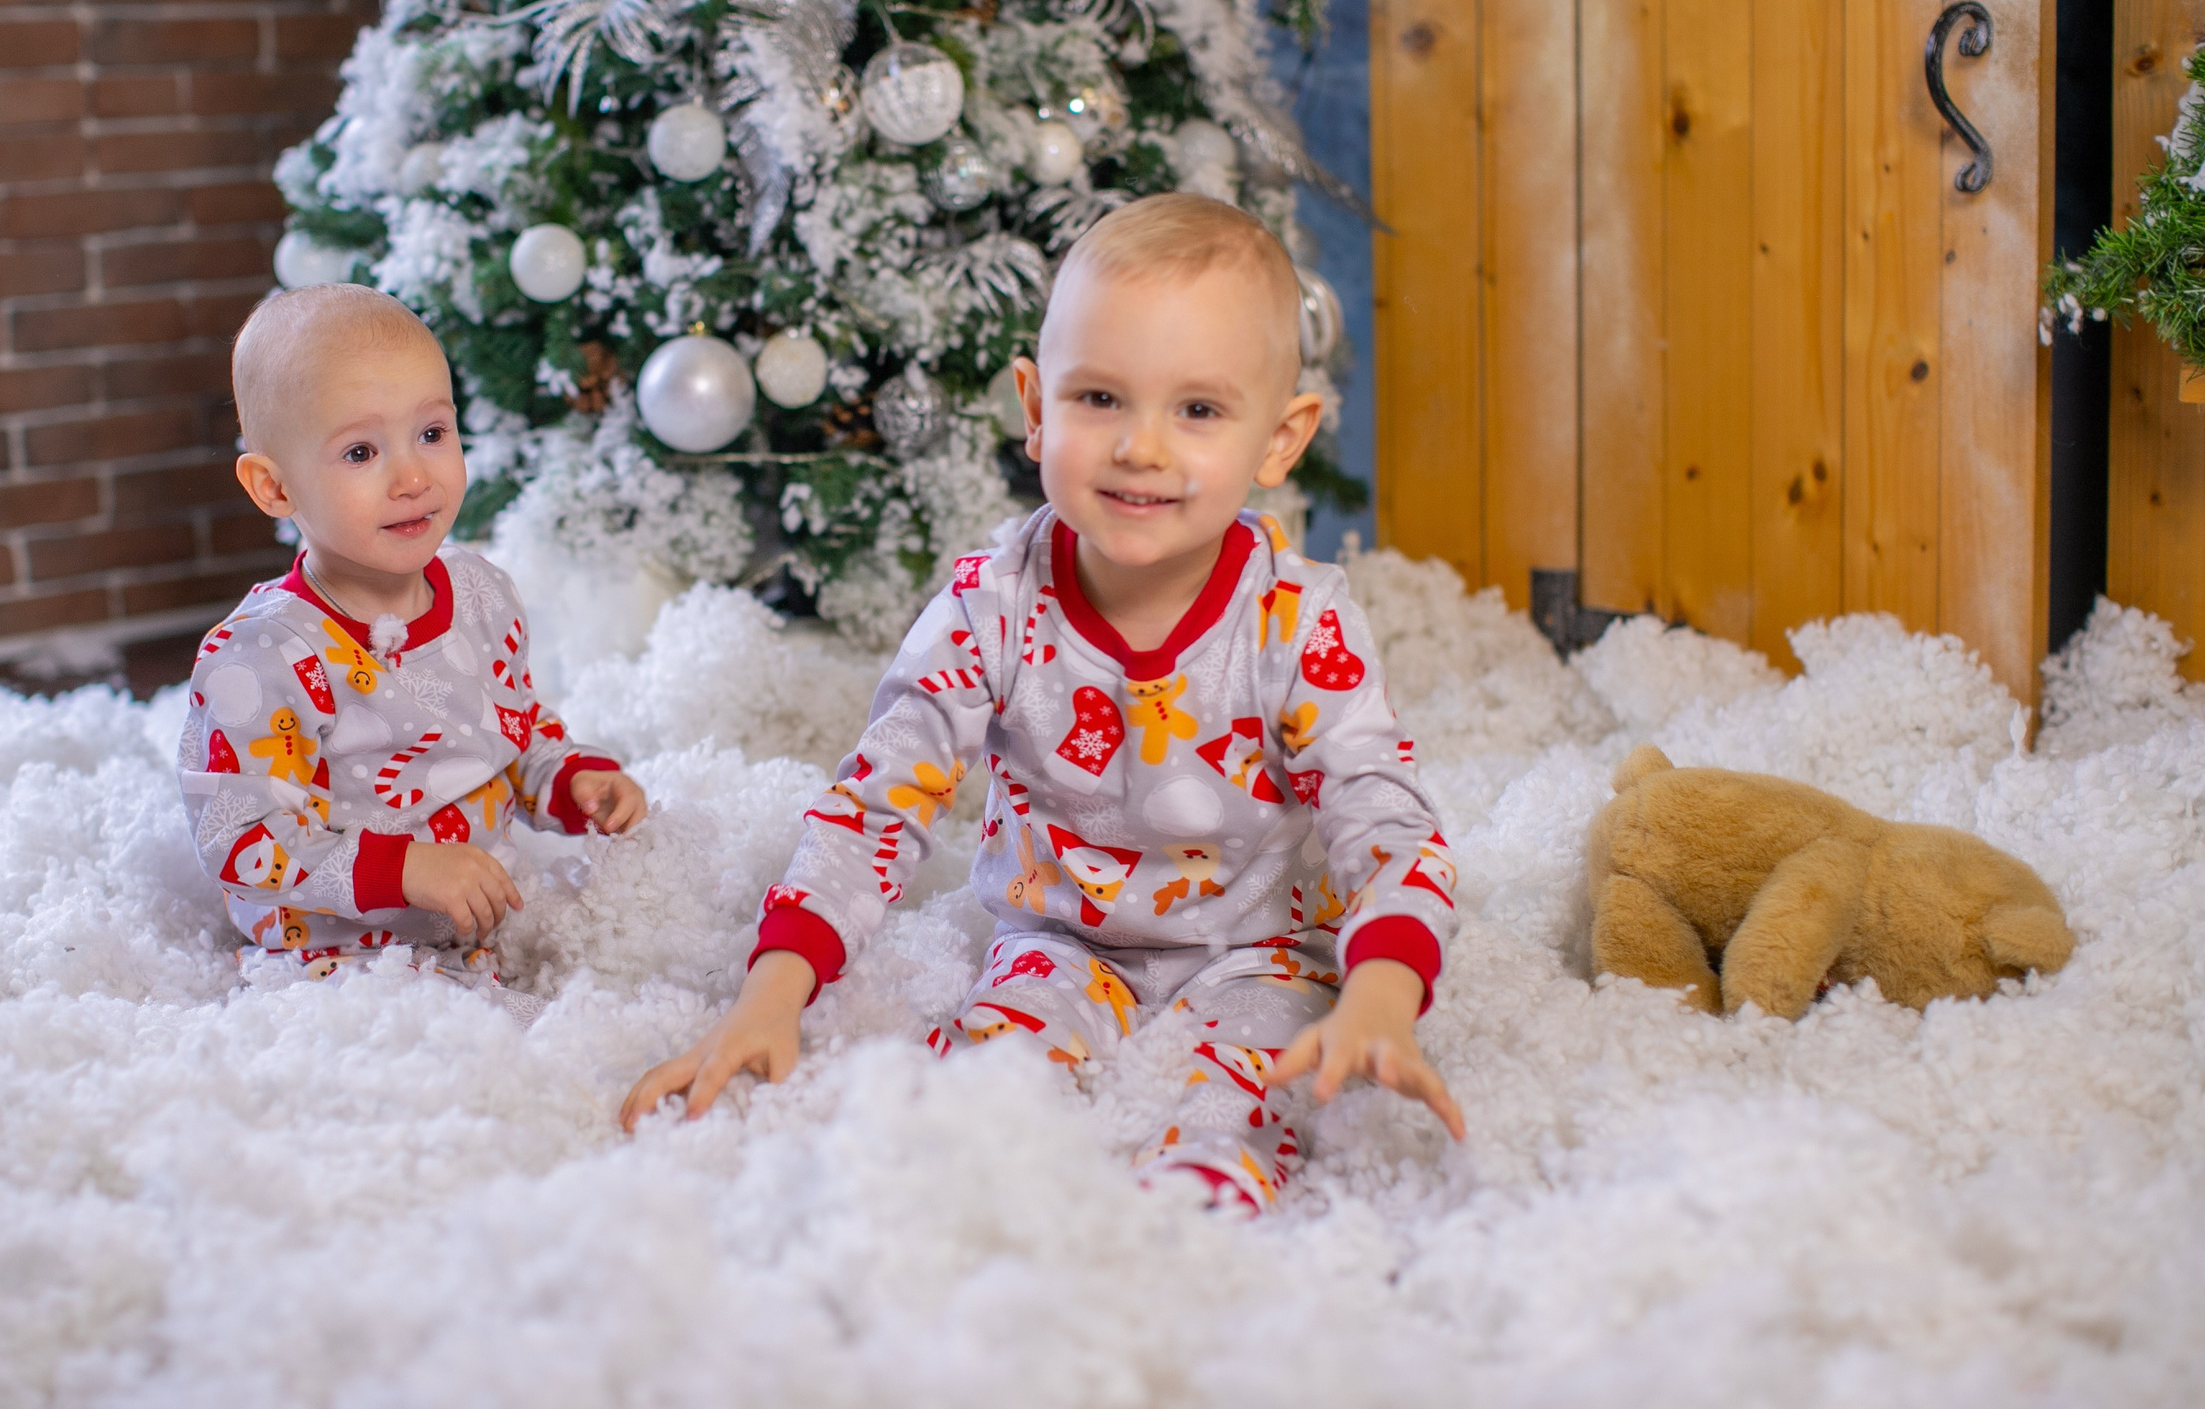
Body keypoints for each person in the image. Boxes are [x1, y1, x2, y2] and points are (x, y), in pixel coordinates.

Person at [622, 193, 1464, 1210]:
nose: (1140, 448)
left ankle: (1170, 1246)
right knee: (963, 1118)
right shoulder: (993, 603)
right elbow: (874, 805)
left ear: (1279, 441)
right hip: (1059, 942)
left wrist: (1380, 985)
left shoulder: (1297, 619)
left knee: (1250, 1101)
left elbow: (1385, 817)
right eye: (1099, 399)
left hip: (1260, 951)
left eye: (1196, 410)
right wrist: (772, 991)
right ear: (1035, 407)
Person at [175, 283, 645, 1004]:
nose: (414, 477)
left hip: (480, 925)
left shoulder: (481, 594)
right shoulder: (264, 656)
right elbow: (239, 837)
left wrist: (568, 776)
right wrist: (403, 868)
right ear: (274, 487)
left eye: (432, 433)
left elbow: (509, 727)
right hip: (337, 961)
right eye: (361, 451)